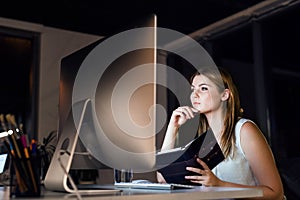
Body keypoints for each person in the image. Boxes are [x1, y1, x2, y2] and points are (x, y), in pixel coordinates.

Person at [157, 66, 284, 200]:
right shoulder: (201, 143)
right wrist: (173, 127)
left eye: (203, 88)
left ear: (224, 95)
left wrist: (219, 184)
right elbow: (162, 179)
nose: (195, 94)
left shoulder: (244, 130)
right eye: (193, 89)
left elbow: (275, 193)